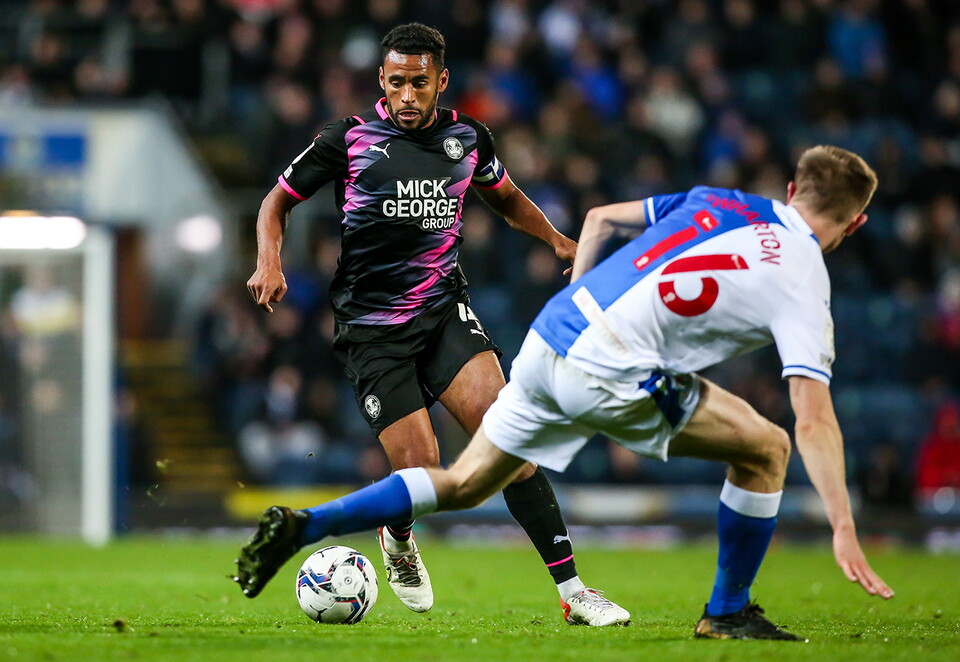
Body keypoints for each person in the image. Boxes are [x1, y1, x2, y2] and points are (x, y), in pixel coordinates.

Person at [237, 145, 898, 638]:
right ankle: (726, 612)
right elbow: (815, 420)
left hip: (552, 333)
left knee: (466, 483)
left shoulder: (722, 201)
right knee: (769, 447)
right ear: (856, 223)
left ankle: (306, 526)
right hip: (613, 364)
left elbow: (603, 219)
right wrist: (842, 524)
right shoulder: (806, 274)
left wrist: (578, 295)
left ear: (790, 189)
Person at [241, 23, 629, 626]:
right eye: (396, 82)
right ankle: (398, 539)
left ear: (440, 81)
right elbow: (276, 202)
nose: (407, 95)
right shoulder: (347, 137)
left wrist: (556, 240)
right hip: (372, 330)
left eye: (419, 83)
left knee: (509, 438)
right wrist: (269, 261)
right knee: (420, 473)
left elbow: (503, 196)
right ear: (382, 81)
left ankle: (575, 593)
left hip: (444, 311)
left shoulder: (467, 137)